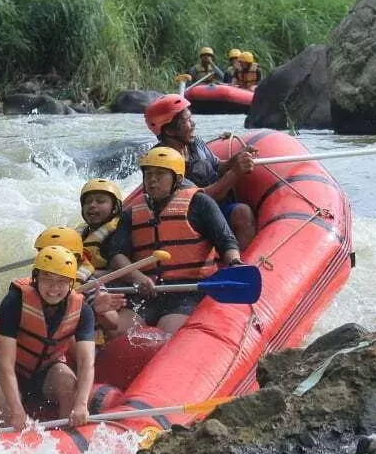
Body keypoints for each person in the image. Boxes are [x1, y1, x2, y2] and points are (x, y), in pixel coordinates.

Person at [107, 147, 242, 335]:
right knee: (117, 334)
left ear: (177, 179)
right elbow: (117, 255)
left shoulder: (200, 203)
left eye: (160, 174)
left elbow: (226, 241)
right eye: (148, 174)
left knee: (167, 338)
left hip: (188, 292)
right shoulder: (131, 212)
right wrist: (138, 278)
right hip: (146, 291)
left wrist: (235, 263)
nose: (152, 180)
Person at [0, 245, 96, 431]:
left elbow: (86, 363)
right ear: (35, 277)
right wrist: (16, 408)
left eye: (62, 281)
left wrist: (81, 404)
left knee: (69, 385)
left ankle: (67, 438)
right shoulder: (14, 302)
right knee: (7, 406)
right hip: (12, 371)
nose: (54, 288)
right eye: (47, 279)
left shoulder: (83, 310)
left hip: (46, 369)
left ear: (71, 283)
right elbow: (5, 364)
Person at [143, 94, 257, 250]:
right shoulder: (161, 164)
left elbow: (217, 166)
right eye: (187, 121)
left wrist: (235, 160)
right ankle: (234, 265)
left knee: (242, 212)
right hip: (190, 218)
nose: (193, 124)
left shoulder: (194, 142)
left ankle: (240, 262)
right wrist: (235, 172)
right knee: (242, 213)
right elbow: (203, 199)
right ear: (169, 131)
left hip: (216, 207)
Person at [36, 222, 126, 341]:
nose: (51, 264)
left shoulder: (88, 283)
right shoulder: (36, 279)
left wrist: (100, 312)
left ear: (75, 259)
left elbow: (114, 323)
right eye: (46, 257)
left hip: (80, 344)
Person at [76, 178, 123, 278]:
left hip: (102, 288)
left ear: (114, 208)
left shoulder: (118, 234)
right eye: (87, 202)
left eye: (100, 201)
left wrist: (88, 274)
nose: (92, 205)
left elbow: (122, 272)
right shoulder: (79, 233)